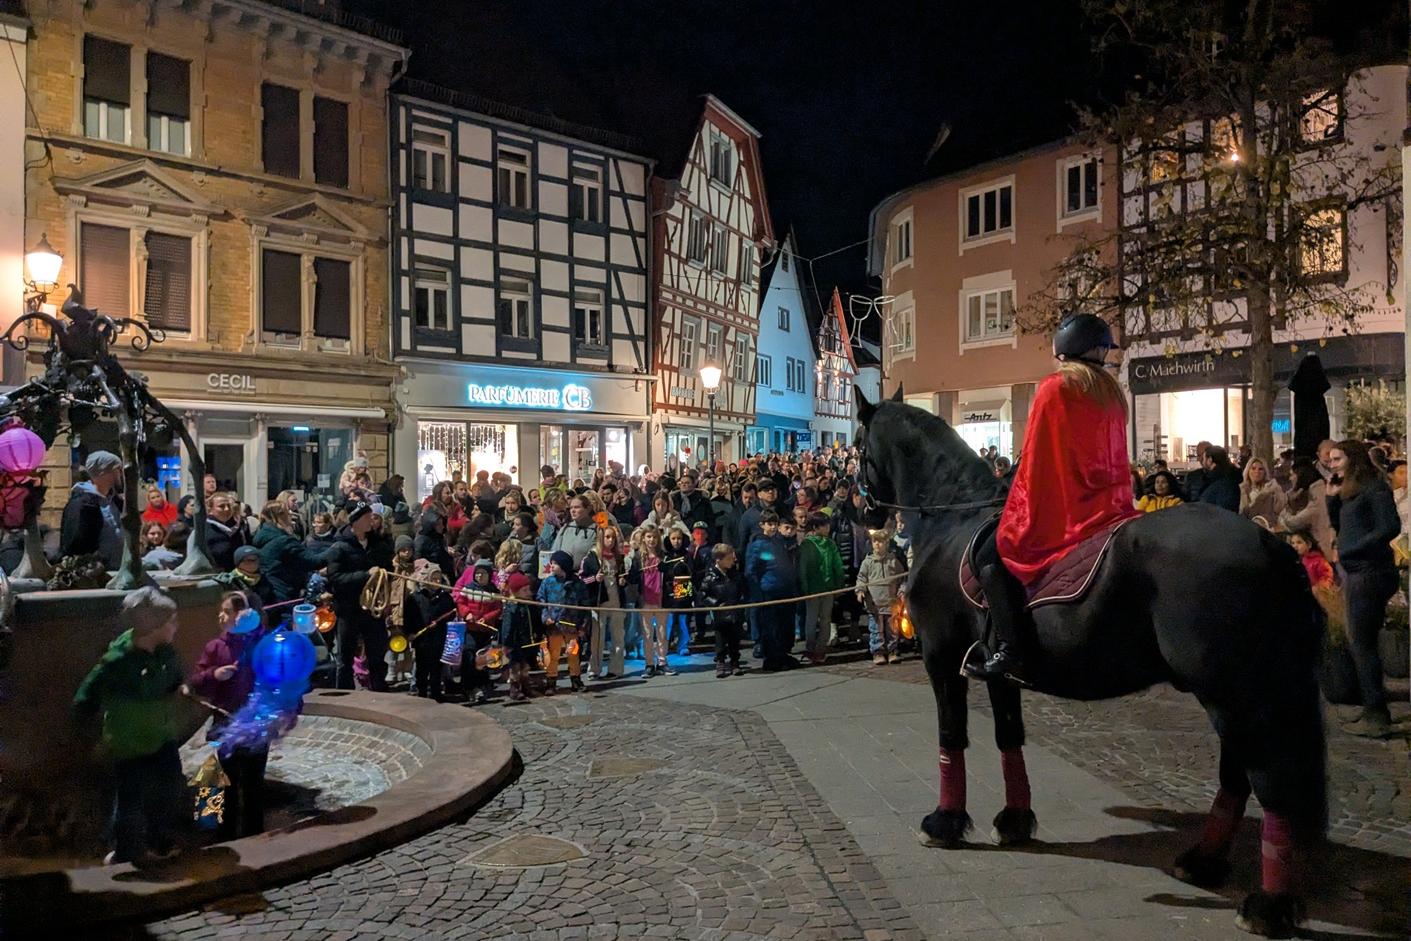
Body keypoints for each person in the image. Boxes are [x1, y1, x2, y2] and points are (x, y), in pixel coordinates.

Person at [969, 314, 1136, 685]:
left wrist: (1014, 493)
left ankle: (1012, 651)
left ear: (1065, 349)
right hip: (1110, 504)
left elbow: (1038, 458)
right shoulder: (1112, 393)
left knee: (990, 556)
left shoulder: (1056, 387)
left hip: (1071, 507)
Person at [73, 587, 185, 866]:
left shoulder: (164, 652)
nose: (176, 627)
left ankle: (158, 841)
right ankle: (124, 849)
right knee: (130, 799)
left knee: (169, 786)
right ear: (154, 626)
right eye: (171, 621)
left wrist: (180, 686)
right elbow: (87, 694)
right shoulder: (118, 660)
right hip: (130, 742)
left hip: (161, 735)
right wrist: (87, 729)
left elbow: (174, 677)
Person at [1326, 440, 1400, 738]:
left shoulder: (1375, 489)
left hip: (1370, 573)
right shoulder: (1351, 491)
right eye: (1330, 459)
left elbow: (1389, 527)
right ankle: (1373, 707)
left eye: (1337, 458)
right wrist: (1332, 499)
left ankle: (1376, 713)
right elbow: (1339, 525)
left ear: (1353, 459)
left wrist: (1352, 550)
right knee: (1360, 641)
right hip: (1356, 571)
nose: (1332, 464)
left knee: (1362, 643)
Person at [189, 591, 269, 840]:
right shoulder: (216, 647)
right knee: (226, 780)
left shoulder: (263, 646)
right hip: (225, 722)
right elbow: (197, 682)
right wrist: (213, 675)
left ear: (244, 616)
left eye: (226, 611)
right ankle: (224, 833)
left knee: (254, 781)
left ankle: (254, 832)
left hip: (257, 725)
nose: (220, 616)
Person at [325, 501, 389, 691]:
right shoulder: (340, 547)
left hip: (372, 608)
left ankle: (379, 689)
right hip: (348, 608)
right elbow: (335, 577)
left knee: (376, 653)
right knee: (345, 655)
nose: (372, 520)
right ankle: (345, 693)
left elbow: (388, 568)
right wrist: (365, 575)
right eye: (367, 517)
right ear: (356, 521)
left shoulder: (378, 543)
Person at [746, 510, 799, 672]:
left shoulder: (777, 542)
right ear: (762, 525)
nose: (773, 527)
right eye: (770, 524)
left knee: (784, 625)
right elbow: (751, 571)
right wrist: (757, 594)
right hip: (768, 591)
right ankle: (771, 658)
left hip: (784, 590)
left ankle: (782, 654)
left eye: (775, 524)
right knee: (770, 627)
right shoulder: (757, 544)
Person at [60, 450, 126, 569]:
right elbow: (75, 543)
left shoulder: (116, 501)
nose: (120, 473)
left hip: (117, 570)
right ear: (104, 472)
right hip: (95, 575)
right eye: (117, 469)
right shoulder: (82, 504)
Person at [252, 501, 327, 604]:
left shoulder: (262, 534)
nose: (291, 513)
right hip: (283, 593)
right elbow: (313, 561)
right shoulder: (284, 541)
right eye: (288, 511)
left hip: (269, 590)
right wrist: (338, 549)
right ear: (279, 516)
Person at [405, 558, 456, 701]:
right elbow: (408, 617)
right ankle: (421, 692)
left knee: (436, 667)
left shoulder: (445, 597)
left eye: (439, 578)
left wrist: (439, 624)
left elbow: (451, 614)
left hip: (439, 637)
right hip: (421, 638)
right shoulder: (415, 598)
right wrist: (409, 632)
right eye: (433, 578)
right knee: (421, 667)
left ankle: (436, 692)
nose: (436, 581)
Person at [537, 550, 587, 694]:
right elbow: (541, 600)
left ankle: (575, 679)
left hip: (572, 625)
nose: (551, 566)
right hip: (554, 626)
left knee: (573, 653)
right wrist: (546, 617)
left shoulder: (577, 584)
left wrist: (583, 626)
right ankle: (551, 681)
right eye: (551, 563)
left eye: (555, 564)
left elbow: (584, 606)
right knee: (553, 654)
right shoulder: (548, 582)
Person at [798, 512, 845, 665]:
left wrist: (839, 584)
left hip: (828, 587)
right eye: (824, 525)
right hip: (812, 588)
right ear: (816, 527)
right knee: (811, 620)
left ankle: (820, 649)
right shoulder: (807, 544)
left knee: (825, 619)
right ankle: (810, 648)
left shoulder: (830, 544)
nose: (828, 528)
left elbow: (837, 565)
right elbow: (802, 567)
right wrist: (804, 586)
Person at [455, 559, 502, 704]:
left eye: (483, 574)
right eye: (478, 573)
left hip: (485, 630)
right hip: (470, 629)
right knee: (469, 656)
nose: (480, 576)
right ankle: (468, 686)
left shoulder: (494, 592)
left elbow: (498, 609)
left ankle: (482, 685)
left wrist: (486, 618)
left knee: (483, 659)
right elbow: (460, 603)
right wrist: (467, 613)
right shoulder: (468, 589)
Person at [858, 529, 907, 665]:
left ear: (886, 543)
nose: (877, 545)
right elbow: (861, 578)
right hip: (875, 604)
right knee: (876, 630)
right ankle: (878, 652)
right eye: (875, 542)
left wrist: (901, 592)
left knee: (892, 629)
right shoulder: (867, 562)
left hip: (891, 603)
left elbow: (902, 578)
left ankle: (892, 651)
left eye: (880, 542)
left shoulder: (893, 561)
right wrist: (860, 590)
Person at [698, 543, 745, 678]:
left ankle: (735, 661)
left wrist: (739, 602)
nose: (733, 561)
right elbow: (702, 595)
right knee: (720, 638)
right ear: (719, 559)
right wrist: (716, 604)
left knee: (735, 638)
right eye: (729, 558)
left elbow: (741, 590)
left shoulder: (735, 575)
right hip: (720, 614)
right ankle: (720, 661)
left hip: (735, 611)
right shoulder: (710, 577)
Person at [1280, 462, 1336, 558]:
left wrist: (1283, 512)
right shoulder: (1309, 493)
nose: (1290, 478)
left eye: (1292, 474)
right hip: (1315, 550)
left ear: (1301, 475)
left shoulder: (1318, 495)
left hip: (1320, 553)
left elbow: (1294, 522)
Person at [501, 572, 538, 701]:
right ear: (516, 592)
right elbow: (507, 627)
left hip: (527, 641)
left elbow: (534, 622)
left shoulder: (529, 605)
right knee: (515, 667)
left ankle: (526, 685)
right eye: (525, 590)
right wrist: (506, 643)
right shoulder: (512, 608)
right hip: (515, 643)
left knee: (525, 666)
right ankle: (515, 688)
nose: (529, 592)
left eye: (529, 589)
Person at [205, 491, 249, 572]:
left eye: (229, 506)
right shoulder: (205, 529)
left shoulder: (236, 527)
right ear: (210, 509)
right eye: (221, 506)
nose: (227, 509)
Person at [1239, 458, 1287, 527]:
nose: (1257, 472)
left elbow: (1280, 509)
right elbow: (1243, 513)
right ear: (1248, 470)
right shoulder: (1242, 489)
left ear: (1265, 472)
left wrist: (1277, 491)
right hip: (1248, 527)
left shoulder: (1271, 487)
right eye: (1253, 468)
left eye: (1260, 469)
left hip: (1268, 527)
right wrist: (1262, 495)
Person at [1197, 446, 1242, 513]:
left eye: (1203, 458)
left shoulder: (1225, 483)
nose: (1201, 460)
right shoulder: (1221, 479)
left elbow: (1224, 512)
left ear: (1210, 460)